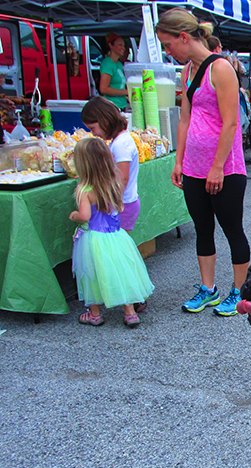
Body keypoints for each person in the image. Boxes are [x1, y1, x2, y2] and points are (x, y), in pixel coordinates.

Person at [156, 8, 250, 317]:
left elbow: (231, 123)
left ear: (183, 37)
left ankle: (239, 291)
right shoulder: (187, 71)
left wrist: (217, 166)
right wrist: (178, 160)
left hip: (225, 167)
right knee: (202, 228)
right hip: (194, 167)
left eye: (168, 45)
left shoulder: (221, 68)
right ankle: (208, 288)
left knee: (232, 228)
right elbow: (184, 119)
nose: (168, 52)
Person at [69, 138, 154, 328]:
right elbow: (120, 206)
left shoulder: (84, 189)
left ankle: (95, 313)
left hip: (93, 239)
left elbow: (85, 215)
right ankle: (130, 312)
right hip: (116, 237)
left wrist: (74, 215)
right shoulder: (113, 184)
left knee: (91, 274)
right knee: (121, 271)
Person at [81, 97, 140, 233]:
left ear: (104, 121)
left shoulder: (120, 144)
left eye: (92, 128)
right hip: (123, 202)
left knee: (116, 245)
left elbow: (122, 178)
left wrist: (112, 203)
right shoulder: (120, 141)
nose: (93, 133)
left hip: (123, 204)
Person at [99, 33, 129, 110]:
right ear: (111, 45)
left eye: (123, 45)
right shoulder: (107, 64)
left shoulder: (119, 64)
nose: (123, 48)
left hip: (121, 105)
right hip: (112, 107)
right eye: (120, 45)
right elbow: (103, 89)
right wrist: (126, 92)